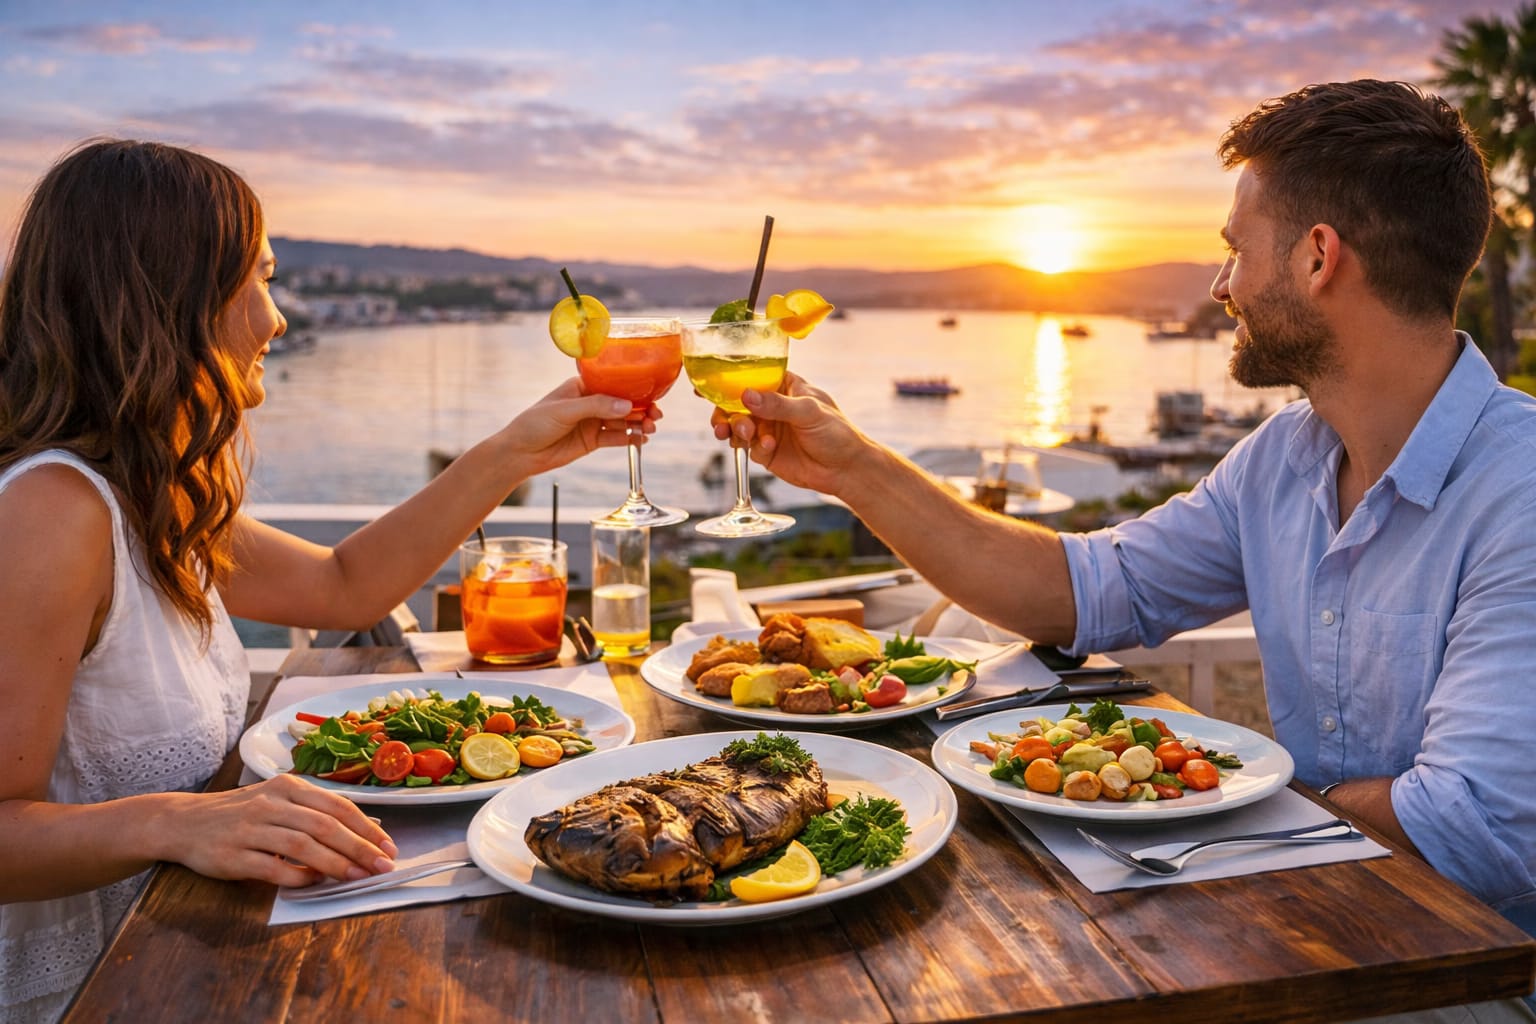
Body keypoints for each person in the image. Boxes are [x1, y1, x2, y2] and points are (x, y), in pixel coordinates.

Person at [722, 80, 1536, 1010]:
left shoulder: (1522, 492)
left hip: (1466, 977)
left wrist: (1185, 800)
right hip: (1308, 922)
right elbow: (1087, 589)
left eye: (1235, 249)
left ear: (1319, 258)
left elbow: (1472, 828)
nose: (1220, 284)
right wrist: (853, 467)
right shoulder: (1284, 459)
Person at [0, 139, 644, 1024]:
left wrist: (508, 453)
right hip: (90, 991)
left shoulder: (153, 491)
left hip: (188, 948)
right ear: (165, 296)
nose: (278, 319)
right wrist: (175, 823)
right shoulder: (51, 513)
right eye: (259, 279)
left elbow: (345, 588)